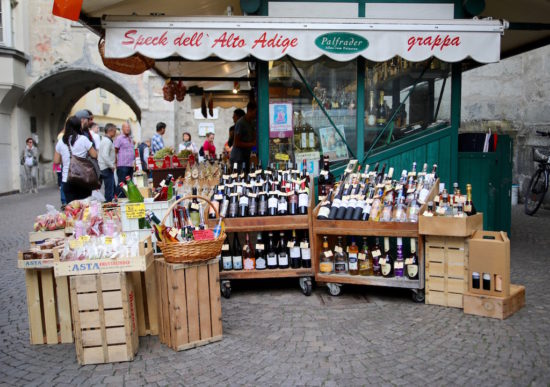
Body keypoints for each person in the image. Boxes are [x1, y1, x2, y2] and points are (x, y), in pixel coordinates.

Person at [53, 116, 98, 203]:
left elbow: (56, 161)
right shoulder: (83, 139)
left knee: (72, 209)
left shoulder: (61, 142)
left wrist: (66, 159)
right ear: (78, 126)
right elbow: (94, 155)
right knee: (85, 208)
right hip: (83, 179)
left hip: (67, 179)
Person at [231, 101, 257, 171]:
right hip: (238, 158)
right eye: (255, 112)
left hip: (246, 157)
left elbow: (254, 137)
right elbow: (236, 143)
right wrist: (252, 144)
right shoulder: (241, 123)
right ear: (250, 110)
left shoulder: (252, 123)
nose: (256, 114)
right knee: (239, 178)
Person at [114, 121, 135, 197]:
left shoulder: (130, 139)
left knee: (129, 184)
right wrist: (115, 162)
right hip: (122, 165)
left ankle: (126, 198)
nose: (128, 129)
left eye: (129, 127)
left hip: (130, 165)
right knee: (122, 184)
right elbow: (115, 150)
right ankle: (119, 199)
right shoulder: (119, 138)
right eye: (126, 127)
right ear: (122, 128)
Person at [99, 123, 117, 202]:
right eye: (114, 131)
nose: (115, 133)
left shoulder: (105, 140)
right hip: (106, 167)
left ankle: (110, 204)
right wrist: (111, 165)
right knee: (109, 189)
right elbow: (105, 155)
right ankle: (109, 206)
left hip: (105, 166)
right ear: (110, 131)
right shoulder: (107, 141)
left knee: (110, 188)